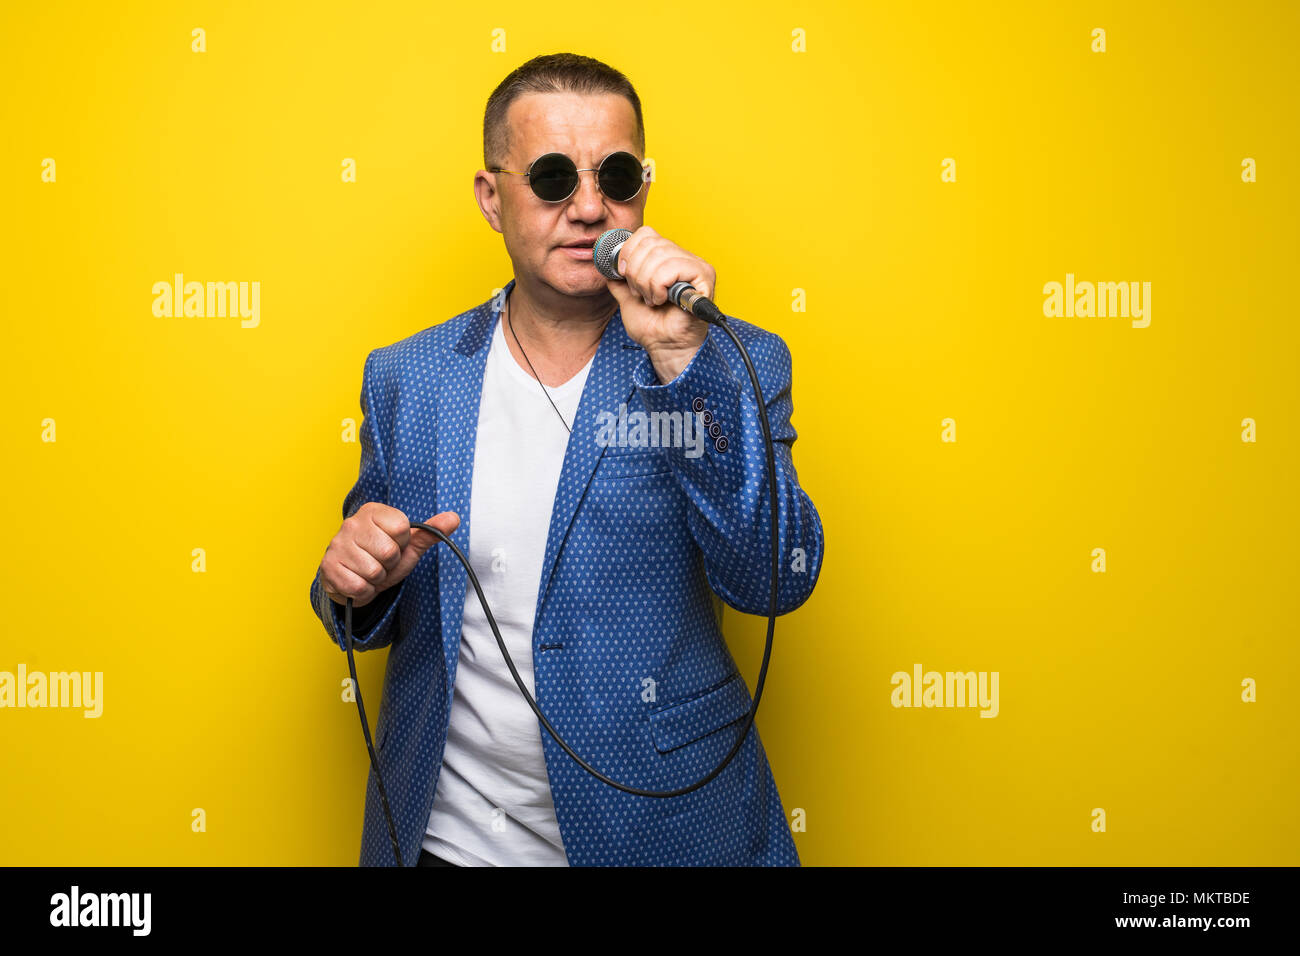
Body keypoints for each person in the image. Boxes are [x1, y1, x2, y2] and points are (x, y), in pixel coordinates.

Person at [309, 52, 825, 866]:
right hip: (445, 842)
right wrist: (353, 576)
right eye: (552, 178)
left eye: (615, 175)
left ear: (644, 187)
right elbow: (360, 591)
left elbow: (775, 578)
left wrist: (681, 364)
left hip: (666, 839)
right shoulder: (408, 376)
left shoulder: (728, 358)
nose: (589, 207)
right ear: (491, 197)